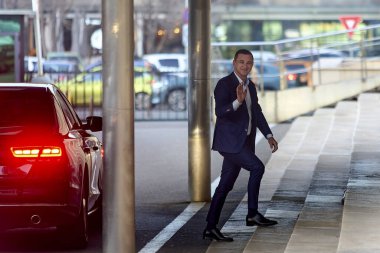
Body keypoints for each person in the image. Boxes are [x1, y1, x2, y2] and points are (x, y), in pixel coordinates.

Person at [203, 49, 279, 242]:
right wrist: (237, 101)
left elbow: (257, 113)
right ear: (234, 63)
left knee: (224, 186)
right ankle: (252, 213)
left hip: (243, 142)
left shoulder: (251, 86)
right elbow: (220, 112)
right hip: (230, 143)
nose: (245, 66)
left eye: (249, 63)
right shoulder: (224, 84)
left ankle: (210, 227)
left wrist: (269, 135)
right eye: (241, 62)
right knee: (257, 167)